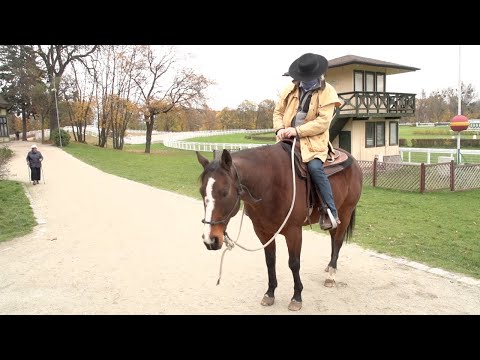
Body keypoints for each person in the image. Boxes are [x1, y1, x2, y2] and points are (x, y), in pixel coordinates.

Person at [273, 53, 341, 230]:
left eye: (307, 78)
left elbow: (323, 122)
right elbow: (278, 112)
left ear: (316, 74)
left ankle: (330, 212)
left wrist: (297, 130)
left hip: (313, 141)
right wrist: (280, 129)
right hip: (286, 138)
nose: (304, 81)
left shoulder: (328, 92)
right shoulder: (290, 88)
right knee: (268, 163)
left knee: (314, 168)